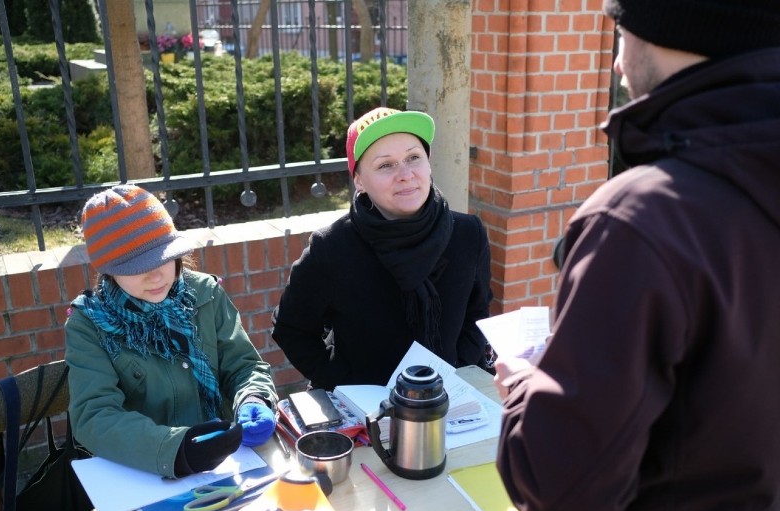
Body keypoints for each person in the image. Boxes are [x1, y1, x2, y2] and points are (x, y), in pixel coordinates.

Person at [494, 1, 780, 511]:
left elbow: (559, 484)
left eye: (619, 31)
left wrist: (522, 389)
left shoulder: (640, 217)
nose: (615, 64)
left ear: (667, 27)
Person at [66, 185, 279, 479]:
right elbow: (95, 417)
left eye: (163, 257)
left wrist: (254, 398)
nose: (155, 275)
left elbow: (243, 365)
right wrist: (174, 450)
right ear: (107, 269)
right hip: (147, 476)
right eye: (135, 266)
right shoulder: (88, 324)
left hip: (229, 464)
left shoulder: (205, 294)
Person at [272, 107, 492, 391]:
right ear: (360, 180)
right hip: (367, 412)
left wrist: (454, 369)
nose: (405, 174)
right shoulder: (332, 247)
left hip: (446, 399)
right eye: (385, 165)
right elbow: (291, 328)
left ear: (428, 164)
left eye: (414, 157)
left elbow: (477, 310)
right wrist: (346, 384)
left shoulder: (467, 233)